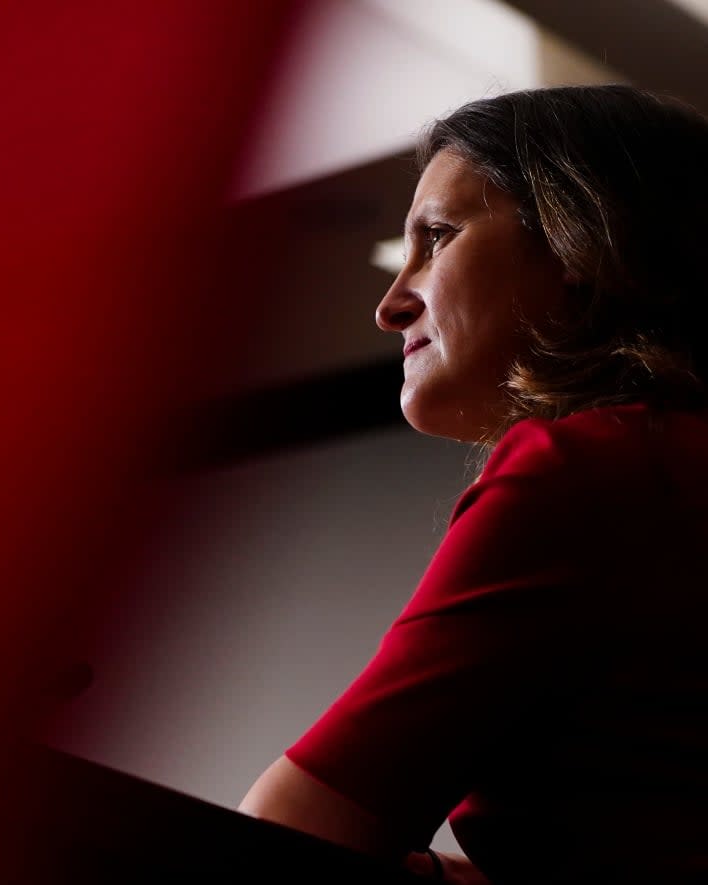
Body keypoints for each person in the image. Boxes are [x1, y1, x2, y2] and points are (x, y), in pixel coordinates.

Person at [239, 84, 708, 884]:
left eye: (438, 236)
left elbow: (279, 837)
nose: (390, 305)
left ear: (578, 245)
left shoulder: (588, 470)